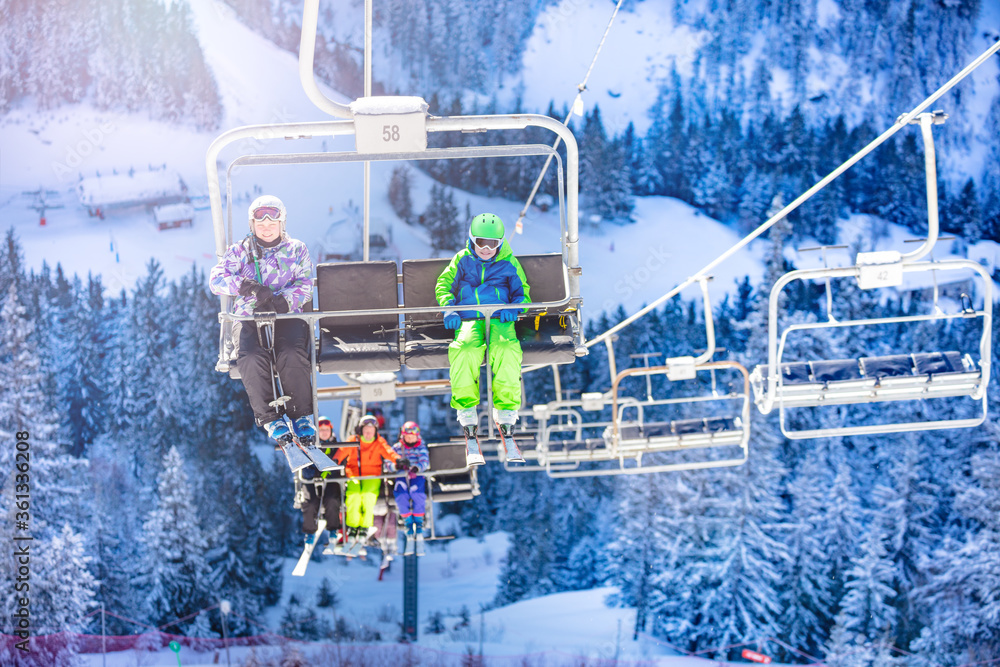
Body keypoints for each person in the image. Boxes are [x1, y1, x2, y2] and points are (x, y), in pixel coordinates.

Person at [209, 195, 317, 442]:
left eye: (272, 223)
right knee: (250, 356)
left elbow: (305, 285)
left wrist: (283, 301)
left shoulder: (296, 249)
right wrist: (247, 286)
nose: (266, 228)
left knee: (290, 352)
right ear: (252, 225)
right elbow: (216, 280)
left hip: (286, 315)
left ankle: (300, 414)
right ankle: (270, 418)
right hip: (248, 315)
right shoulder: (240, 251)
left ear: (282, 223)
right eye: (260, 224)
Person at [435, 213, 530, 447]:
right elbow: (444, 285)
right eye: (481, 243)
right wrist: (449, 309)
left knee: (507, 348)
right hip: (470, 318)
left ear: (500, 243)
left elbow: (522, 293)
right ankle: (466, 408)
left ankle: (506, 410)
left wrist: (514, 309)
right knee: (464, 349)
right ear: (472, 240)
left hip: (499, 318)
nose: (486, 249)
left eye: (493, 244)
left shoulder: (509, 263)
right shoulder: (462, 260)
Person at [334, 414, 406, 555]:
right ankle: (354, 526)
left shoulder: (378, 442)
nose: (368, 433)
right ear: (360, 430)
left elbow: (388, 452)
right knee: (354, 495)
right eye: (366, 430)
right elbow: (341, 452)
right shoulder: (353, 441)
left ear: (375, 431)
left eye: (371, 430)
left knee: (367, 496)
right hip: (354, 475)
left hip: (373, 476)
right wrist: (335, 461)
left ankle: (365, 526)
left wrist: (397, 460)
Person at [298, 417, 342, 551]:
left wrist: (327, 473)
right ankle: (309, 532)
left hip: (330, 480)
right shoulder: (309, 446)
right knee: (309, 502)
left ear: (331, 431)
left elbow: (339, 464)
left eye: (326, 430)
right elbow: (304, 467)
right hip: (311, 480)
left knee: (332, 499)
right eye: (321, 430)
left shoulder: (336, 447)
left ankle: (333, 529)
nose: (324, 433)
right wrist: (313, 473)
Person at [391, 421, 430, 556]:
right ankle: (407, 521)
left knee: (417, 492)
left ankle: (418, 522)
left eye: (412, 436)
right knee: (401, 495)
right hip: (401, 476)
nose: (410, 439)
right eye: (407, 436)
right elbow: (388, 462)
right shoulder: (397, 448)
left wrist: (416, 468)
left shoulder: (420, 447)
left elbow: (425, 461)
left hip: (416, 476)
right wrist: (397, 466)